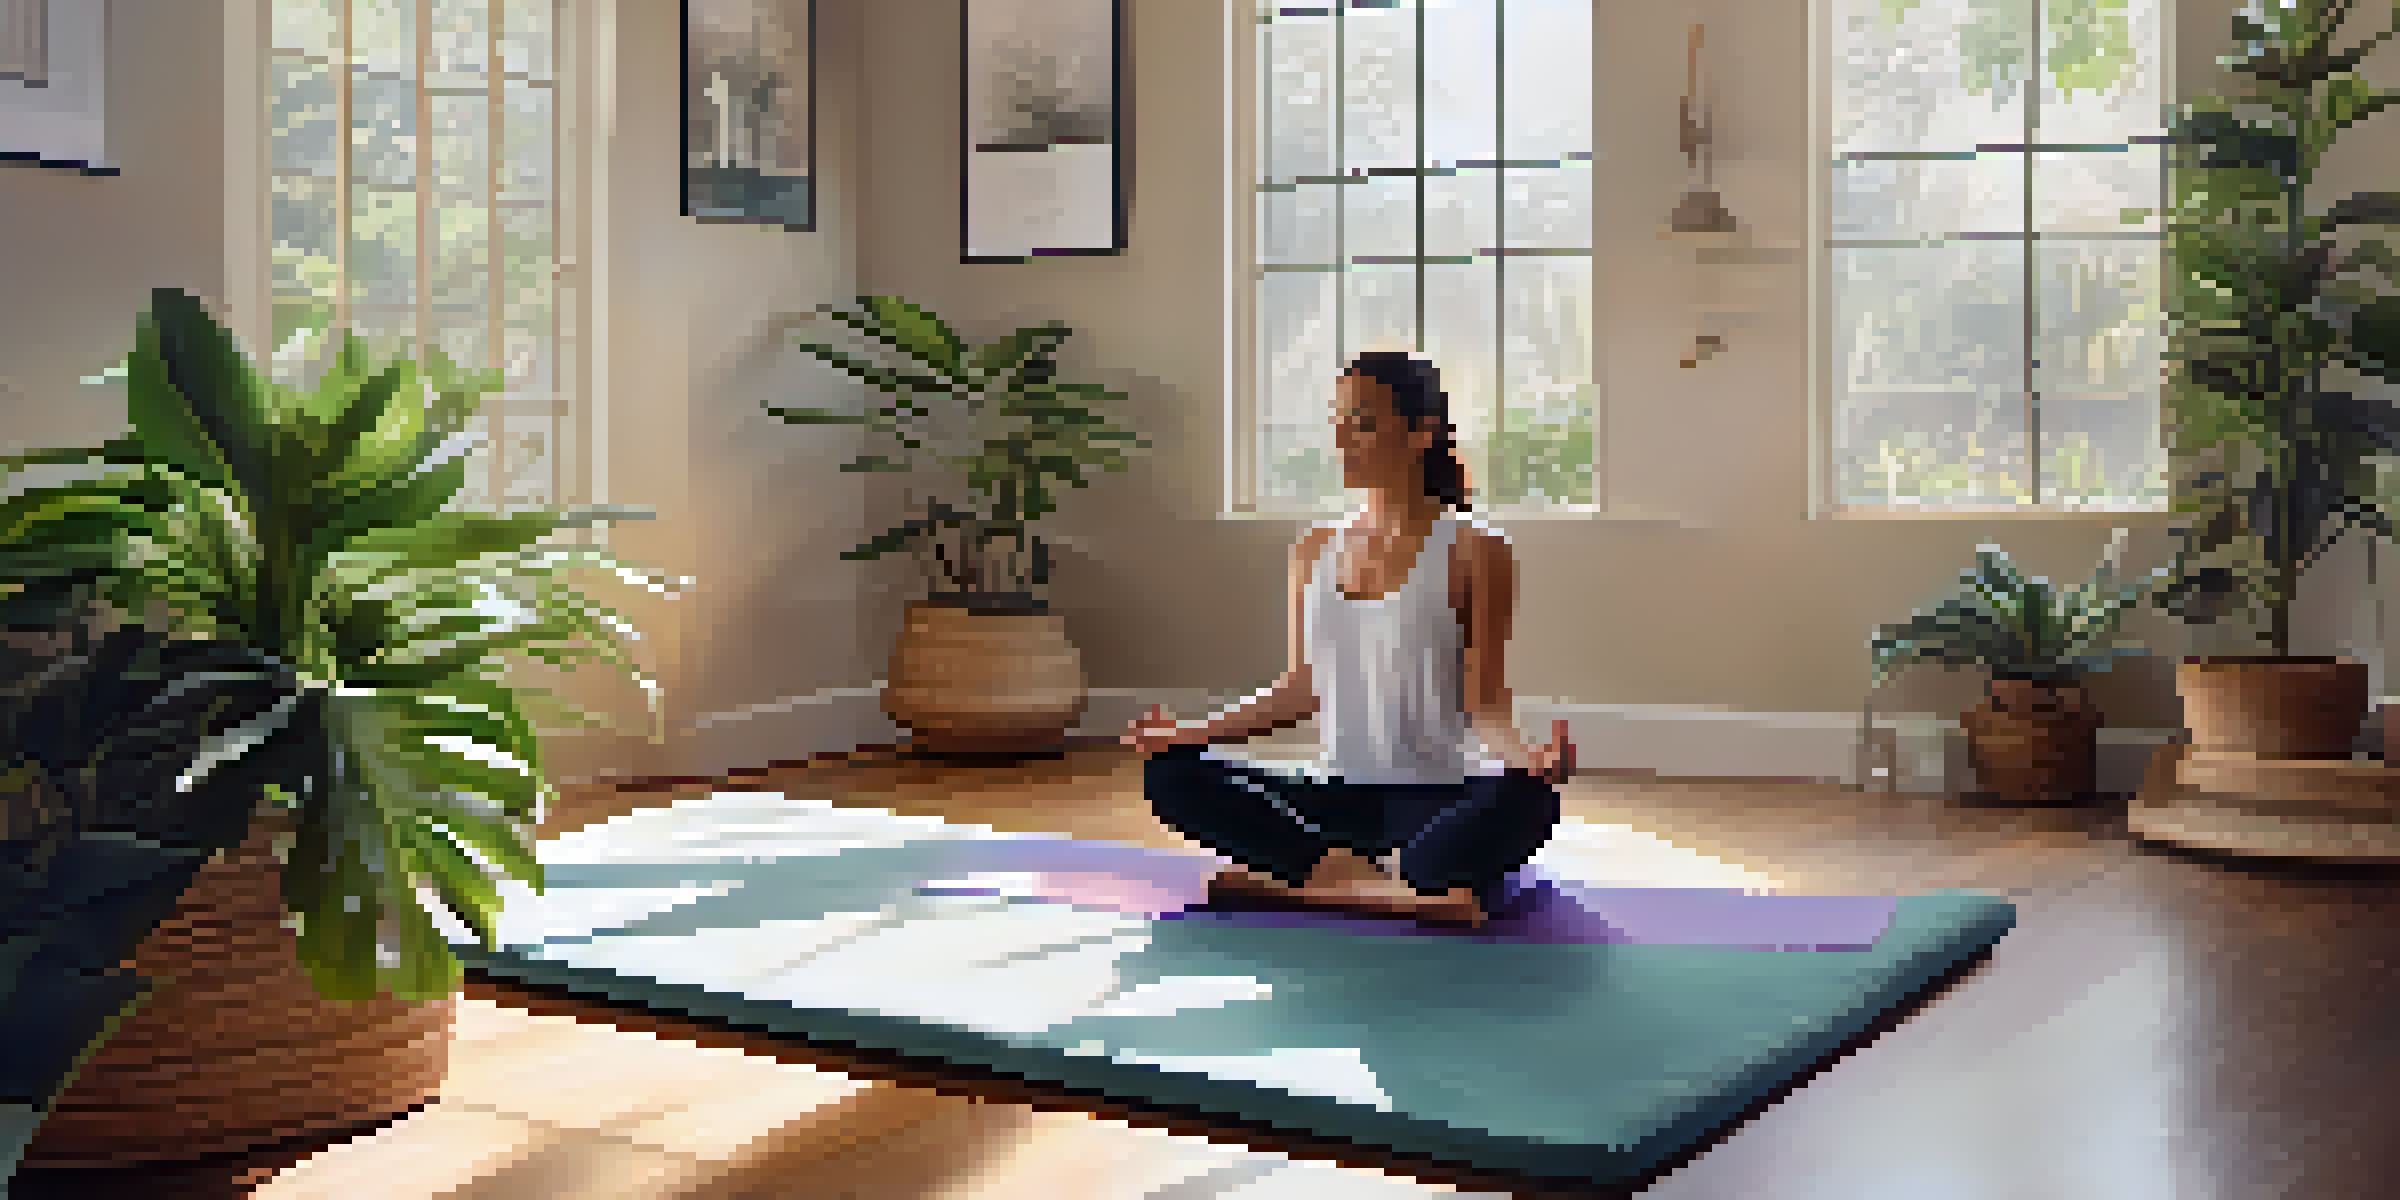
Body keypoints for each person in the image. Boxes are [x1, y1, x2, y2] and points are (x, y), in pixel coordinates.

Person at [1123, 351, 1574, 929]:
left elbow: (1485, 702)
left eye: (1361, 422)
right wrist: (1185, 733)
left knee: (1529, 799)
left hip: (1440, 798)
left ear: (1419, 433)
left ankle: (1316, 876)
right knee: (1169, 773)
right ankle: (1382, 883)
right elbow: (1301, 690)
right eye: (1336, 421)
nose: (1340, 438)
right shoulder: (1314, 549)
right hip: (1335, 799)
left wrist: (1531, 759)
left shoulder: (1475, 548)